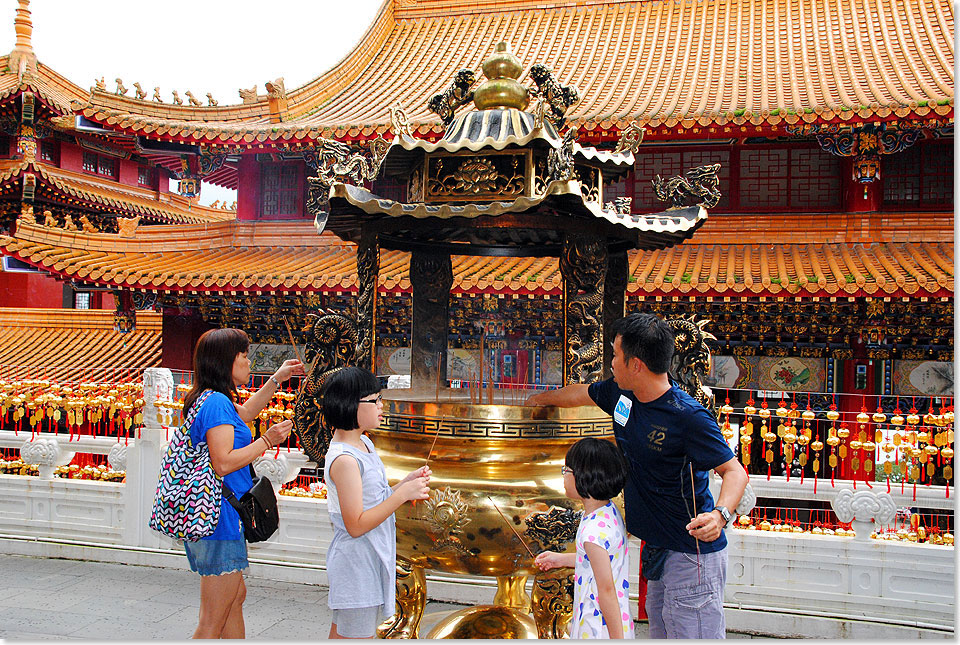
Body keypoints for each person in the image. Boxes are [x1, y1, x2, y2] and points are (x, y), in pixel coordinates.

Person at [527, 312, 748, 639]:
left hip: (691, 555)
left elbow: (734, 471)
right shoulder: (622, 395)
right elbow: (581, 393)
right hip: (656, 549)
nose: (611, 363)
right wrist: (535, 402)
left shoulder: (687, 416)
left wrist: (720, 514)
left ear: (636, 364)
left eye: (616, 355)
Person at [181, 327, 304, 639]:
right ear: (226, 361)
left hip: (218, 515)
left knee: (234, 599)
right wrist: (267, 440)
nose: (249, 363)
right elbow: (222, 462)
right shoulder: (216, 404)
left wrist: (277, 378)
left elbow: (247, 412)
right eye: (244, 356)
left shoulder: (211, 399)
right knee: (212, 619)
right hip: (217, 517)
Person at [322, 366, 432, 639]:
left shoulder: (365, 445)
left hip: (370, 556)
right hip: (356, 562)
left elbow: (373, 496)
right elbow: (356, 525)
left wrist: (404, 483)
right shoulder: (345, 460)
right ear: (351, 405)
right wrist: (401, 496)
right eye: (375, 400)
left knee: (343, 634)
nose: (382, 406)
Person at [534, 437, 634, 639]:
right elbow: (596, 560)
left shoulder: (593, 533)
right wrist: (558, 559)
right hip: (613, 619)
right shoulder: (607, 512)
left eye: (567, 471)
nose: (563, 476)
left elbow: (605, 591)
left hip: (598, 624)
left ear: (584, 476)